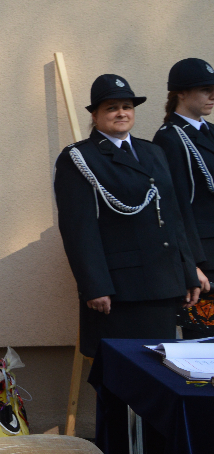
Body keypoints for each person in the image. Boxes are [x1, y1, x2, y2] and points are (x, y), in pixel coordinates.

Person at [54, 73, 200, 361]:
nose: (122, 113)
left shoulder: (153, 151)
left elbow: (173, 217)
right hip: (120, 292)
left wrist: (189, 269)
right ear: (95, 115)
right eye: (111, 108)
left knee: (159, 377)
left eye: (127, 106)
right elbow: (78, 229)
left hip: (162, 285)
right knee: (121, 378)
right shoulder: (80, 158)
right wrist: (95, 286)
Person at [153, 58, 214, 338]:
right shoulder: (170, 137)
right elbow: (175, 206)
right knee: (204, 346)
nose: (212, 95)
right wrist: (192, 265)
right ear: (180, 93)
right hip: (205, 258)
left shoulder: (210, 133)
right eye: (204, 89)